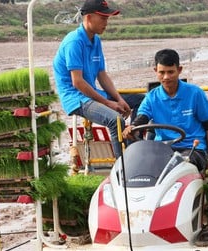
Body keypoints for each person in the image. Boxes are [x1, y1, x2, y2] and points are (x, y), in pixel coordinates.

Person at [53, 0, 143, 159]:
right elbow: (78, 82)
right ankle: (121, 166)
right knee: (115, 120)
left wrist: (119, 99)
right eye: (103, 18)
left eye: (107, 18)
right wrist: (108, 103)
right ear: (88, 18)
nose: (106, 23)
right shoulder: (74, 42)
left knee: (142, 101)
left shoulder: (96, 40)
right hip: (76, 98)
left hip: (92, 93)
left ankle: (134, 148)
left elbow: (102, 75)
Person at [122, 49, 208, 172]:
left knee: (180, 165)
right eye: (162, 72)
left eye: (171, 72)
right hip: (162, 150)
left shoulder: (195, 94)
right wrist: (133, 126)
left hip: (192, 149)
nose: (166, 77)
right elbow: (142, 117)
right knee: (141, 167)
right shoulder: (151, 97)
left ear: (179, 70)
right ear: (155, 71)